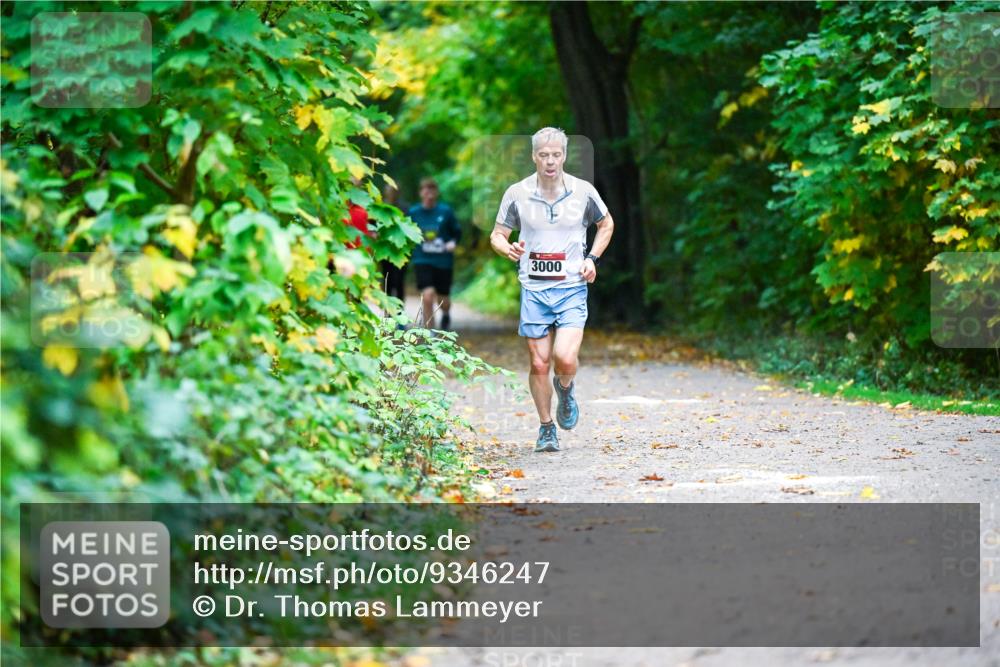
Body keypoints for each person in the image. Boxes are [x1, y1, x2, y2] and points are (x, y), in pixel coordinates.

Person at [489, 127, 614, 453]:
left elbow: (606, 224)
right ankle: (546, 428)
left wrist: (592, 259)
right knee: (539, 363)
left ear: (564, 155)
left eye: (556, 154)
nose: (550, 160)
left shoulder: (583, 191)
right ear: (534, 156)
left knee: (564, 358)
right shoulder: (517, 193)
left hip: (572, 287)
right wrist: (508, 249)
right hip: (534, 289)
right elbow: (497, 234)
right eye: (543, 155)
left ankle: (566, 387)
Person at [409, 177, 461, 330]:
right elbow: (405, 232)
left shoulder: (445, 212)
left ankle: (445, 314)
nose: (429, 193)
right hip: (422, 259)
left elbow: (457, 232)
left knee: (443, 300)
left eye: (432, 189)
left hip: (443, 261)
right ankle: (430, 333)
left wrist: (453, 242)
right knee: (427, 295)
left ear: (437, 193)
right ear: (420, 193)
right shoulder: (413, 212)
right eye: (426, 189)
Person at [379, 183, 407, 301]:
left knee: (399, 280)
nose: (391, 194)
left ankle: (400, 311)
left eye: (394, 191)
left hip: (400, 250)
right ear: (385, 192)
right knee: (387, 280)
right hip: (385, 250)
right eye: (389, 191)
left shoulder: (404, 208)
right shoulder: (380, 208)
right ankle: (388, 311)